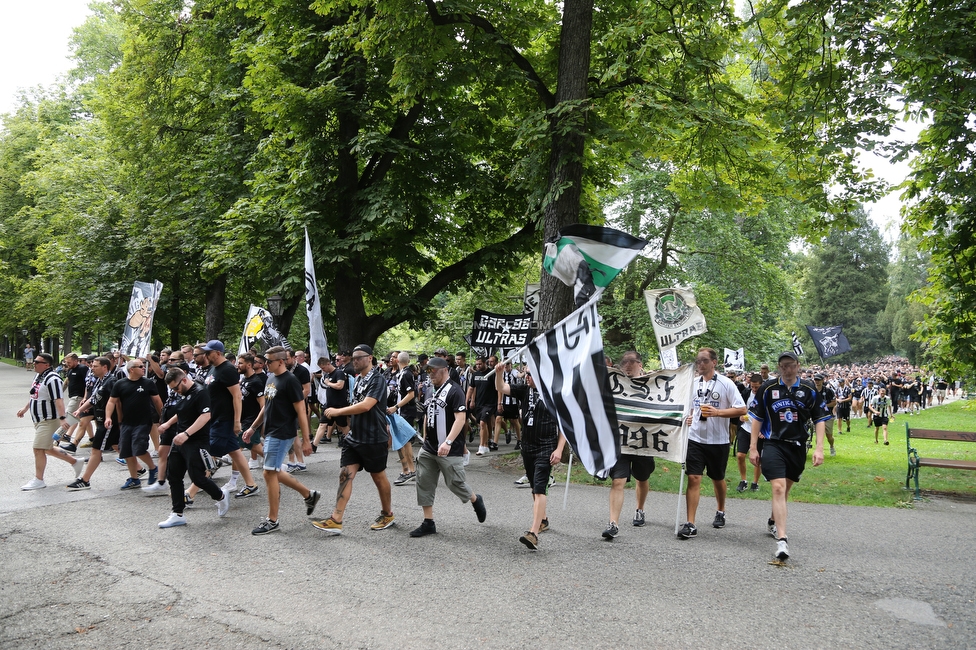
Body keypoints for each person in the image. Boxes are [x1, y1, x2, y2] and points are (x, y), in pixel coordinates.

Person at [749, 351, 829, 561]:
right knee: (778, 487)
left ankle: (774, 521)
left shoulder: (808, 388)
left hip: (797, 446)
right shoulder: (768, 388)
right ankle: (782, 541)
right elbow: (757, 417)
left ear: (797, 365)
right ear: (779, 367)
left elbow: (820, 418)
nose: (787, 369)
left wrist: (819, 448)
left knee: (785, 490)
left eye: (791, 365)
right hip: (773, 442)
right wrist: (753, 446)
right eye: (783, 366)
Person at [312, 344, 395, 535]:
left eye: (359, 357)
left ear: (370, 358)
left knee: (379, 478)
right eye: (353, 357)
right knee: (345, 475)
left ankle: (387, 513)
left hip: (373, 438)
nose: (354, 360)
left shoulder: (378, 379)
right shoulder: (358, 380)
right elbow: (356, 405)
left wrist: (338, 411)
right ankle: (336, 519)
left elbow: (366, 406)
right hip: (354, 437)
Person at [408, 356, 487, 537]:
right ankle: (428, 522)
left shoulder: (455, 390)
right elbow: (428, 414)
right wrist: (426, 438)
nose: (429, 374)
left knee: (455, 483)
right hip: (429, 447)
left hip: (449, 447)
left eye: (432, 370)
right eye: (427, 371)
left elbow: (461, 419)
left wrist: (449, 442)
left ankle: (475, 500)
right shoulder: (429, 389)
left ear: (444, 370)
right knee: (424, 481)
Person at [246, 346, 321, 535]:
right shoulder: (270, 378)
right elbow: (267, 406)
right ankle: (308, 495)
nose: (264, 365)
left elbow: (302, 412)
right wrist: (253, 427)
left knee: (269, 473)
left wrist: (306, 440)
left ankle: (272, 520)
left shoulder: (290, 381)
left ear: (280, 361)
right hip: (270, 431)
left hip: (282, 432)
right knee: (273, 471)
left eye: (268, 362)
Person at [677, 348, 747, 539]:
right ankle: (691, 523)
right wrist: (689, 418)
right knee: (694, 478)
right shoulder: (692, 384)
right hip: (696, 438)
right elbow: (689, 408)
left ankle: (721, 510)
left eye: (704, 361)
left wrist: (718, 413)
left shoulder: (726, 384)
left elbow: (741, 409)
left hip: (718, 440)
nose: (700, 364)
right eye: (698, 361)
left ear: (714, 362)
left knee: (717, 478)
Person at [495, 359, 563, 550]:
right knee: (534, 487)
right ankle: (543, 520)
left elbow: (565, 426)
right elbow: (501, 387)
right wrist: (499, 372)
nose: (526, 378)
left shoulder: (554, 394)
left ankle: (533, 532)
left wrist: (558, 450)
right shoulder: (524, 390)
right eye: (525, 374)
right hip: (528, 445)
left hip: (546, 445)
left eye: (530, 375)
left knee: (540, 488)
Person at [156, 368, 232, 527]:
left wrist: (186, 434)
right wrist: (168, 424)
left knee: (197, 477)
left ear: (183, 380)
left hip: (196, 440)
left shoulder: (200, 392)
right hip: (180, 441)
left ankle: (220, 496)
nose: (175, 391)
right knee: (173, 475)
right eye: (172, 389)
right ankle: (177, 513)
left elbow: (205, 416)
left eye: (176, 388)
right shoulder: (183, 393)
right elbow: (182, 411)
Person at [602, 350, 657, 540]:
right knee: (618, 481)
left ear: (640, 365)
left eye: (631, 365)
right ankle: (613, 523)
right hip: (621, 442)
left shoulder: (652, 383)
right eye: (624, 365)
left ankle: (640, 509)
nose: (627, 368)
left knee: (642, 478)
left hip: (643, 442)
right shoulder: (614, 383)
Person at [198, 340, 259, 497]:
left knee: (209, 452)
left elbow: (237, 396)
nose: (205, 355)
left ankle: (191, 492)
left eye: (208, 352)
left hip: (224, 419)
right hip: (214, 417)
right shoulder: (213, 369)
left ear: (218, 353)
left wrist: (237, 421)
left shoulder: (228, 370)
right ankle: (251, 484)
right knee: (235, 452)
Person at [17, 353, 85, 490]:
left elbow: (58, 399)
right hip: (39, 419)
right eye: (34, 361)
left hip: (48, 419)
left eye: (37, 362)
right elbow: (34, 395)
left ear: (46, 365)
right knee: (47, 448)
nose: (34, 363)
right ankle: (75, 462)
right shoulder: (39, 376)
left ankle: (39, 479)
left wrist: (61, 418)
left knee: (38, 448)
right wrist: (25, 409)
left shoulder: (53, 378)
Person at [104, 358, 161, 490]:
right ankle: (134, 479)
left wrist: (162, 416)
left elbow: (157, 401)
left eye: (143, 366)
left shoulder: (148, 383)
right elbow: (112, 402)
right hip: (126, 423)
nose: (143, 368)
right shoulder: (120, 384)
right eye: (140, 366)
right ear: (131, 369)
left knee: (139, 449)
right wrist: (108, 417)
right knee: (127, 451)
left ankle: (153, 468)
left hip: (143, 422)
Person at [66, 357, 119, 490]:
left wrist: (118, 420)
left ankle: (84, 480)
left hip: (108, 422)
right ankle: (141, 470)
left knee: (96, 449)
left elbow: (117, 402)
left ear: (104, 367)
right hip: (102, 420)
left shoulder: (111, 381)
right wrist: (79, 410)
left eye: (95, 366)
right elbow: (93, 399)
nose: (92, 368)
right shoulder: (100, 381)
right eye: (92, 366)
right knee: (118, 447)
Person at [388, 351, 418, 486]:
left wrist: (396, 406)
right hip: (402, 410)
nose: (391, 359)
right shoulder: (402, 373)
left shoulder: (405, 374)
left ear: (398, 361)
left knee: (404, 440)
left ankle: (409, 471)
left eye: (394, 358)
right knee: (404, 441)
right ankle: (409, 470)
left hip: (406, 410)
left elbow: (411, 394)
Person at [734, 373, 764, 493]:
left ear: (761, 385)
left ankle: (755, 482)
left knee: (757, 459)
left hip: (760, 432)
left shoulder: (766, 396)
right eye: (752, 387)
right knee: (740, 455)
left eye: (757, 387)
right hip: (746, 428)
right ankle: (743, 480)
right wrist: (741, 416)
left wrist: (764, 430)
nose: (754, 389)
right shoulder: (746, 393)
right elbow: (740, 407)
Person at [813, 375, 837, 457]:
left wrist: (824, 406)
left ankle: (832, 446)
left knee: (829, 436)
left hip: (828, 415)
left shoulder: (828, 391)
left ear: (823, 380)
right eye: (816, 380)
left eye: (819, 380)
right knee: (819, 435)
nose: (817, 381)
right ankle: (819, 451)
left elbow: (834, 403)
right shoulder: (812, 390)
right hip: (816, 416)